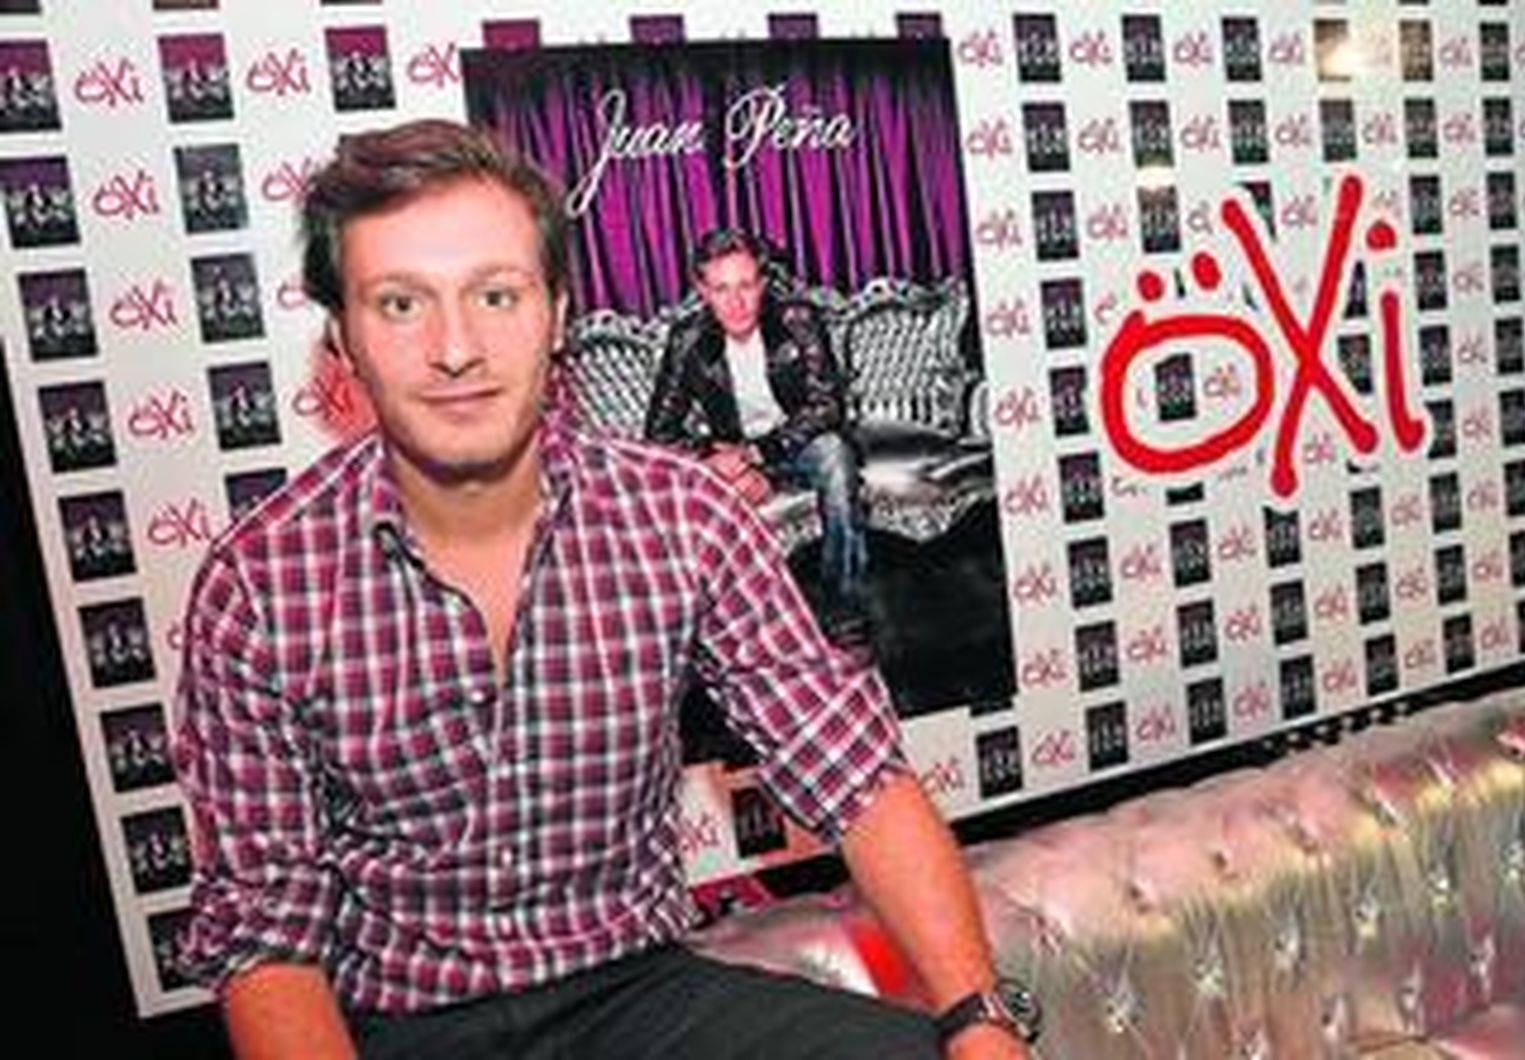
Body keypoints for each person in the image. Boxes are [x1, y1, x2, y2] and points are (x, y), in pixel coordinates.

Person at [173, 119, 1038, 1060]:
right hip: (399, 1026)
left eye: (496, 295)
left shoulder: (683, 517)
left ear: (557, 315)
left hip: (638, 992)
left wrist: (979, 1020)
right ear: (343, 337)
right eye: (401, 304)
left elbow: (857, 779)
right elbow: (269, 935)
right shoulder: (260, 584)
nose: (456, 348)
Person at [644, 229, 871, 646]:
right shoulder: (687, 340)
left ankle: (844, 607)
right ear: (703, 291)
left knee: (836, 457)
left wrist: (758, 455)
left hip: (798, 447)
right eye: (721, 289)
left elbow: (826, 406)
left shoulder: (797, 321)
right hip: (733, 459)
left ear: (763, 283)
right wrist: (713, 461)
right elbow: (659, 434)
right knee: (680, 493)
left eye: (746, 285)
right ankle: (721, 631)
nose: (737, 302)